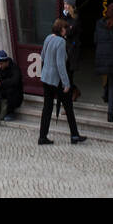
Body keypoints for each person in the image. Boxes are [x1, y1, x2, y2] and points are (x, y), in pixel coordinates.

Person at [38, 17, 86, 146]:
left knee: (47, 108)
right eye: (65, 28)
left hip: (46, 78)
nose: (66, 30)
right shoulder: (60, 42)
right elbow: (60, 64)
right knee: (68, 107)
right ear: (61, 29)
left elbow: (42, 56)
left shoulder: (48, 38)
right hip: (56, 80)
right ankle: (74, 135)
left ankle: (42, 136)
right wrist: (66, 83)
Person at [59, 0, 81, 107]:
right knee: (64, 76)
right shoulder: (65, 16)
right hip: (65, 50)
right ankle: (75, 91)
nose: (65, 6)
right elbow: (59, 28)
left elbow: (69, 31)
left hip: (72, 51)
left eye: (67, 4)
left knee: (68, 76)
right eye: (64, 3)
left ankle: (67, 103)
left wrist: (65, 32)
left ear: (72, 5)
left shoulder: (76, 17)